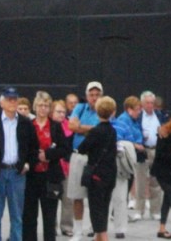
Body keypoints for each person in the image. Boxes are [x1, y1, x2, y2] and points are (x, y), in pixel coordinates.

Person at [0, 86, 39, 241]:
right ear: (1, 102)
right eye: (9, 99)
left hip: (17, 173)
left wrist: (28, 164)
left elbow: (34, 148)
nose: (12, 102)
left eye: (14, 99)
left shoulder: (26, 124)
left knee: (17, 216)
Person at [24, 91, 70, 241]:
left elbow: (64, 149)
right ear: (34, 107)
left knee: (49, 217)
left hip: (50, 176)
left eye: (46, 105)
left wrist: (49, 155)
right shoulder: (28, 126)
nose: (43, 108)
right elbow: (23, 148)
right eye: (40, 105)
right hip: (32, 175)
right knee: (29, 216)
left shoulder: (56, 127)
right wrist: (35, 156)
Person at [78, 96, 118, 241]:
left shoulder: (95, 131)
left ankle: (103, 236)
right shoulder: (112, 131)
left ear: (97, 111)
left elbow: (82, 148)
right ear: (113, 112)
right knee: (105, 205)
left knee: (96, 207)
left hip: (97, 174)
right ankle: (99, 236)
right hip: (110, 173)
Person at [67, 81, 104, 239]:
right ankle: (78, 231)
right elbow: (72, 126)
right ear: (87, 95)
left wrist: (82, 128)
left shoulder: (105, 110)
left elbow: (100, 131)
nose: (94, 98)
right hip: (78, 156)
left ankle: (95, 228)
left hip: (95, 158)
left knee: (96, 197)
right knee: (77, 195)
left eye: (97, 95)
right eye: (91, 95)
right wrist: (88, 129)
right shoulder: (80, 107)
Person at [111, 96, 144, 239]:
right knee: (121, 191)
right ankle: (117, 215)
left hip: (134, 156)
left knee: (125, 190)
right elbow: (120, 140)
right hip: (125, 160)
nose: (139, 112)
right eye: (137, 110)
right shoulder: (123, 121)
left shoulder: (134, 121)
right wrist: (136, 145)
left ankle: (119, 214)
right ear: (129, 110)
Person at [131, 91, 167, 221]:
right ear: (142, 103)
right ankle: (139, 210)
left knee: (156, 182)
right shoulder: (138, 116)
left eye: (152, 102)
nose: (150, 105)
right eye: (147, 103)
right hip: (143, 150)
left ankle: (155, 210)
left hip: (156, 150)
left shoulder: (160, 116)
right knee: (140, 181)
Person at [52, 100, 75, 238]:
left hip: (68, 166)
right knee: (52, 197)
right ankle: (52, 226)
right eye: (58, 112)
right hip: (54, 166)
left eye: (63, 112)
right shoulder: (50, 126)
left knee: (68, 198)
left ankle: (66, 226)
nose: (61, 114)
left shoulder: (70, 126)